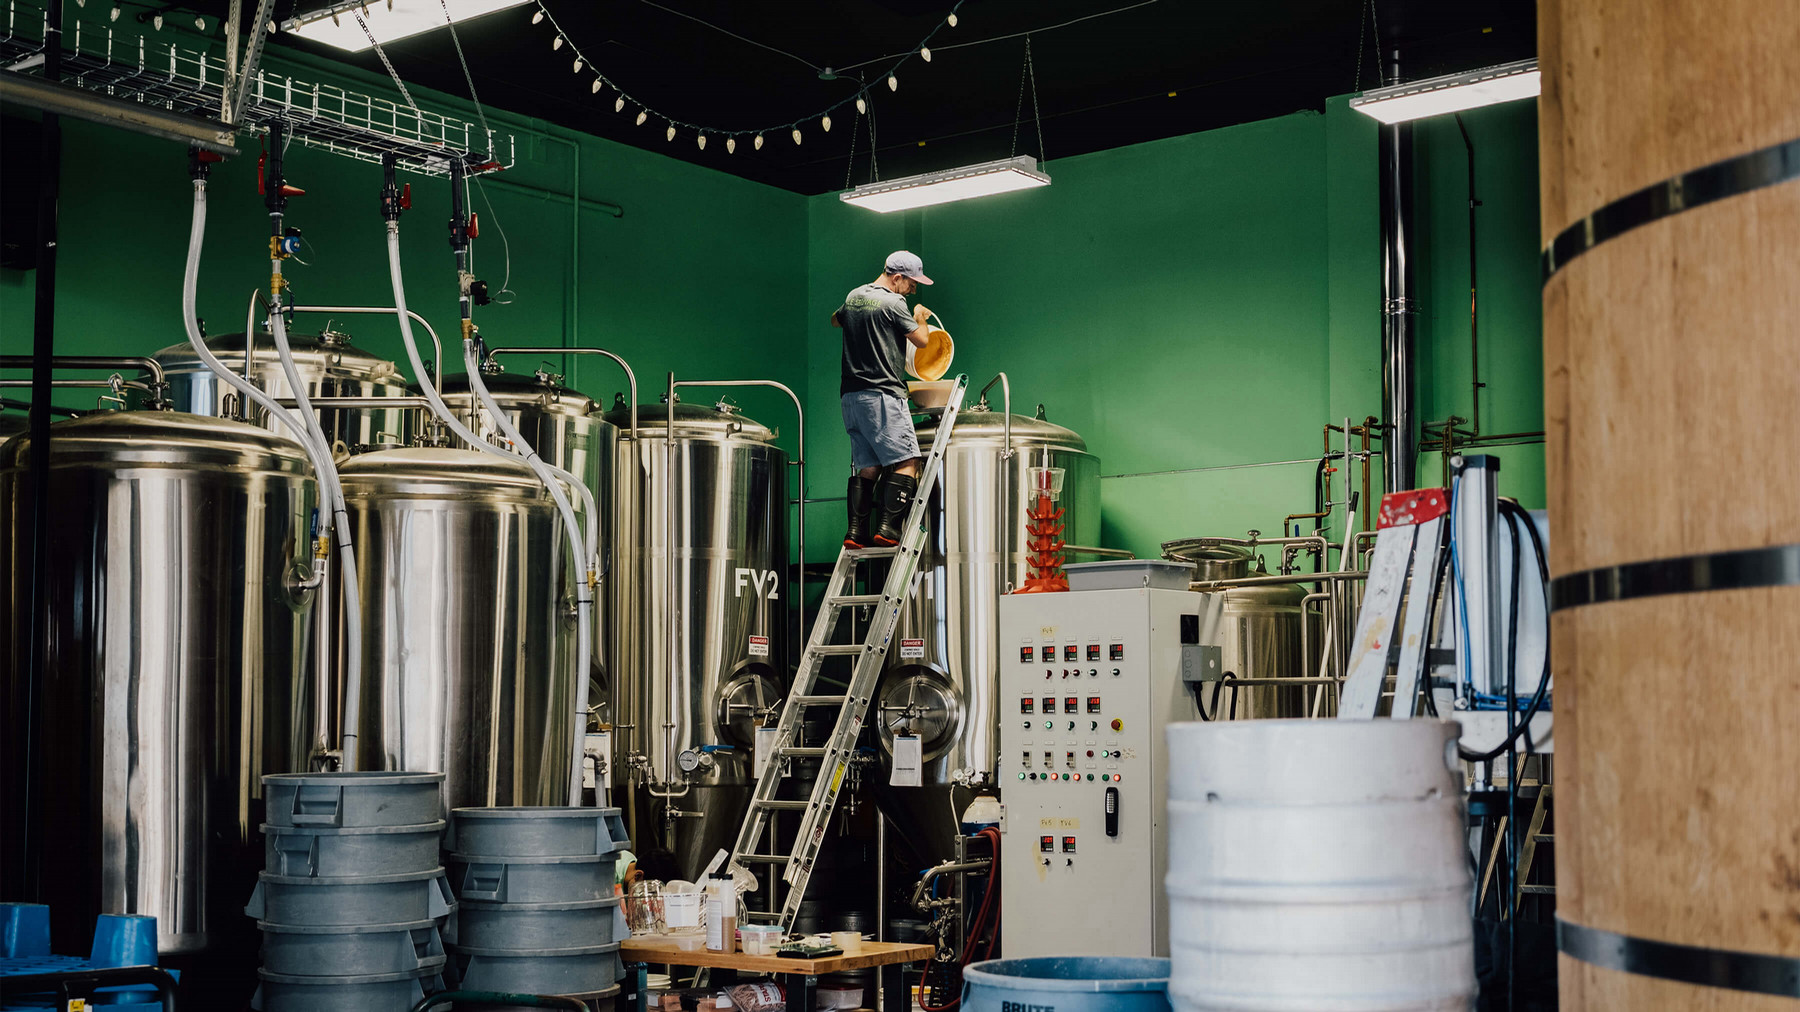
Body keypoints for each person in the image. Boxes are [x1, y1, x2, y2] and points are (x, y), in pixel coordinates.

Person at [833, 250, 934, 548]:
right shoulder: (895, 302)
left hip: (851, 398)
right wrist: (919, 317)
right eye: (912, 283)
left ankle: (855, 532)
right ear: (897, 277)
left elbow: (835, 321)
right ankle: (889, 529)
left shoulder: (854, 296)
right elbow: (923, 340)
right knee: (908, 461)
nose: (914, 288)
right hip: (883, 394)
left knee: (869, 465)